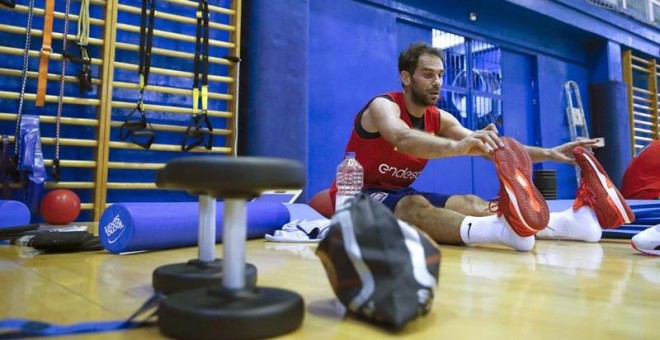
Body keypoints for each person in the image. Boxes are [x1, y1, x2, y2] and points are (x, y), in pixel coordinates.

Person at [329, 42, 634, 251]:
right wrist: (461, 145)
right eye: (427, 74)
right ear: (406, 77)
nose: (436, 82)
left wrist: (551, 153)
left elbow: (492, 147)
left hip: (396, 193)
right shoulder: (383, 106)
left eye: (440, 75)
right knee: (412, 207)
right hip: (354, 196)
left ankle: (569, 224)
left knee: (470, 201)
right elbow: (402, 138)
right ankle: (505, 233)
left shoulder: (440, 117)